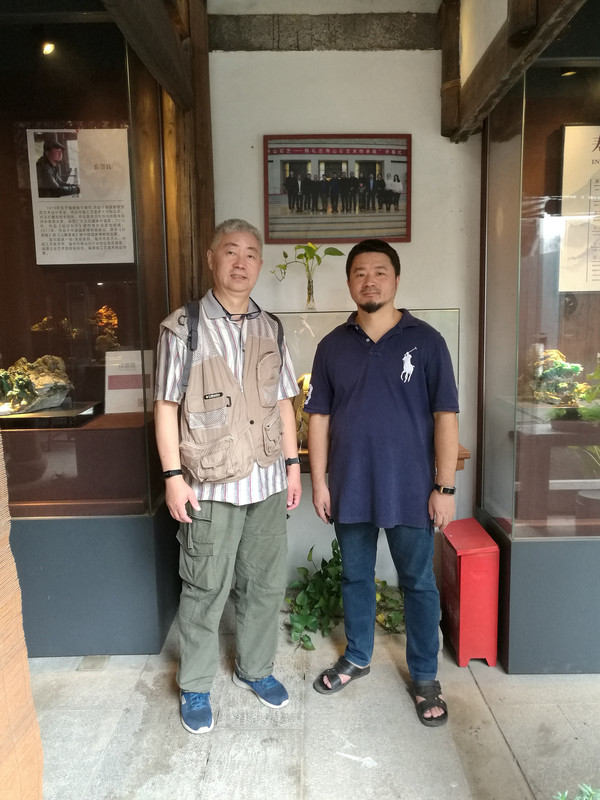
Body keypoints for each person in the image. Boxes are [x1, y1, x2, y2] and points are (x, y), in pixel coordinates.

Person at [154, 218, 302, 735]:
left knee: (264, 584)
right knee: (204, 587)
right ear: (212, 259)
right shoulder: (183, 328)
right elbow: (166, 406)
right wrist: (173, 476)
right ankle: (195, 685)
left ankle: (255, 669)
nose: (242, 263)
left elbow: (283, 402)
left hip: (266, 481)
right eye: (231, 251)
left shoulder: (271, 327)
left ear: (259, 264)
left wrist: (293, 467)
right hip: (209, 484)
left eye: (251, 254)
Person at [304, 238, 459, 728]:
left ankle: (425, 675)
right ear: (349, 282)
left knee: (418, 583)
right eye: (359, 273)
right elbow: (318, 418)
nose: (369, 281)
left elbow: (446, 416)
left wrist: (445, 487)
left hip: (412, 488)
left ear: (396, 279)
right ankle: (358, 656)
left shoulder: (427, 341)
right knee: (355, 577)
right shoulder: (332, 346)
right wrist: (319, 482)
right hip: (349, 487)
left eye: (379, 272)